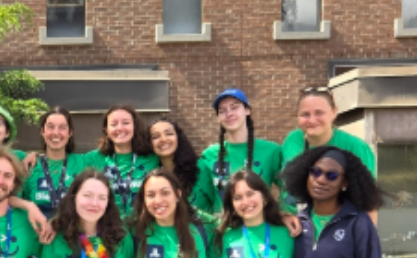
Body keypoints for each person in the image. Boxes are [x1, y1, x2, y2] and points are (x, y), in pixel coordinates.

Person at [279, 87, 378, 218]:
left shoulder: (356, 148)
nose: (312, 120)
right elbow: (280, 182)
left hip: (337, 228)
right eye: (305, 114)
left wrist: (367, 236)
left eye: (319, 113)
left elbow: (369, 201)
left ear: (334, 112)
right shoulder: (292, 141)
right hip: (291, 226)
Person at [191, 88, 282, 219]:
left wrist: (282, 214)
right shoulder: (209, 155)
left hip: (261, 231)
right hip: (224, 233)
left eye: (234, 107)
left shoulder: (271, 151)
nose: (229, 114)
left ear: (247, 110)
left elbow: (289, 189)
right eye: (222, 111)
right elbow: (201, 198)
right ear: (218, 117)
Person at [81, 104, 160, 218]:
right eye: (114, 124)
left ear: (135, 126)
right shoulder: (92, 158)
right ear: (106, 130)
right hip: (108, 229)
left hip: (146, 229)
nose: (120, 128)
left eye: (126, 123)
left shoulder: (153, 158)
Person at [149, 117, 199, 200]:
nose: (163, 139)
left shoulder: (200, 169)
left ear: (178, 138)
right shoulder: (149, 173)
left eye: (169, 134)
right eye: (155, 137)